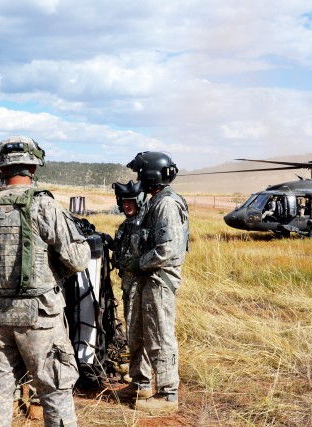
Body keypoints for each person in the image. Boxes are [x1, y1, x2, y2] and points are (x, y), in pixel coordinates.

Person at [0, 136, 91, 427]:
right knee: (54, 390)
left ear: (0, 166)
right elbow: (77, 260)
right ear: (34, 168)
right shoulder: (45, 205)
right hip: (40, 317)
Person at [121, 151, 189, 414]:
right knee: (138, 333)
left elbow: (167, 250)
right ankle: (141, 384)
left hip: (159, 281)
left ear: (150, 175)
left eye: (140, 173)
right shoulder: (155, 201)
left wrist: (137, 263)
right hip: (147, 280)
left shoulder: (166, 205)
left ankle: (168, 394)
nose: (138, 178)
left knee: (160, 335)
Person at [111, 180, 152, 397]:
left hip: (141, 287)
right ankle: (137, 381)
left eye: (131, 201)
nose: (127, 205)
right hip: (128, 287)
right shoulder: (126, 226)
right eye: (124, 201)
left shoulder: (145, 224)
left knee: (139, 335)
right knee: (132, 335)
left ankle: (143, 383)